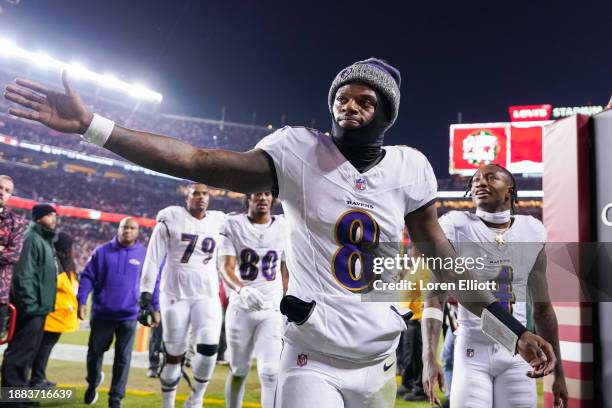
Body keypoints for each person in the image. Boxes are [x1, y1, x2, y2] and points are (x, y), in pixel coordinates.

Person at [5, 59, 556, 407]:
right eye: (343, 95)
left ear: (386, 113)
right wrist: (95, 128)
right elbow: (199, 158)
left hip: (379, 363)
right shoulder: (296, 151)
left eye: (366, 99)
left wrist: (511, 329)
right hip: (310, 356)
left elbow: (445, 264)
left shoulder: (410, 167)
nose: (350, 104)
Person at [421, 164, 568, 407]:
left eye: (490, 177)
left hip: (520, 353)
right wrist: (428, 356)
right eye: (476, 179)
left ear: (510, 189)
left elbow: (543, 309)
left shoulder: (531, 230)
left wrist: (559, 374)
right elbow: (435, 296)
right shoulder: (456, 226)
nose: (480, 182)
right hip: (472, 350)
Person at [138, 183, 225, 408]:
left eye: (205, 193)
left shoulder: (219, 221)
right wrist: (146, 293)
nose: (201, 197)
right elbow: (153, 258)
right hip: (175, 293)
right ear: (186, 196)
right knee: (173, 355)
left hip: (206, 293)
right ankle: (168, 404)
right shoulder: (171, 218)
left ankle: (196, 398)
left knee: (208, 352)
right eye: (196, 193)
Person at [218, 191, 289, 408]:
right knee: (239, 369)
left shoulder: (284, 225)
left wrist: (287, 299)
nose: (263, 198)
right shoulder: (232, 224)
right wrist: (241, 290)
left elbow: (286, 270)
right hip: (242, 307)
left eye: (267, 194)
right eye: (258, 194)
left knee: (270, 372)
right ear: (249, 198)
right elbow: (225, 266)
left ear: (273, 198)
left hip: (272, 308)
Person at [77, 217, 151, 407]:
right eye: (124, 227)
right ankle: (92, 383)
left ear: (137, 232)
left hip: (129, 316)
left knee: (123, 358)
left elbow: (152, 283)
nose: (127, 230)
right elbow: (86, 277)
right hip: (103, 314)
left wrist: (154, 307)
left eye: (132, 228)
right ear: (118, 229)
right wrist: (82, 301)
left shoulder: (144, 255)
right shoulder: (101, 251)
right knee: (94, 354)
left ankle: (115, 398)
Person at [1, 203, 57, 399]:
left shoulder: (44, 239)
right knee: (19, 353)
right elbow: (22, 275)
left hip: (39, 308)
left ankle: (19, 394)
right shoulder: (31, 238)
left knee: (27, 353)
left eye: (54, 215)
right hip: (31, 308)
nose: (53, 218)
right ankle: (12, 399)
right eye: (49, 215)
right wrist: (30, 305)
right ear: (38, 218)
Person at [30, 231, 79, 388]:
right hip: (52, 315)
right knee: (42, 348)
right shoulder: (55, 262)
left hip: (59, 315)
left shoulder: (64, 263)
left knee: (44, 348)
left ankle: (39, 377)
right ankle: (36, 380)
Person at [0, 175, 26, 340]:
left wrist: (7, 251)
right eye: (0, 188)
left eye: (7, 190)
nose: (2, 192)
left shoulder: (15, 222)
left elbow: (14, 255)